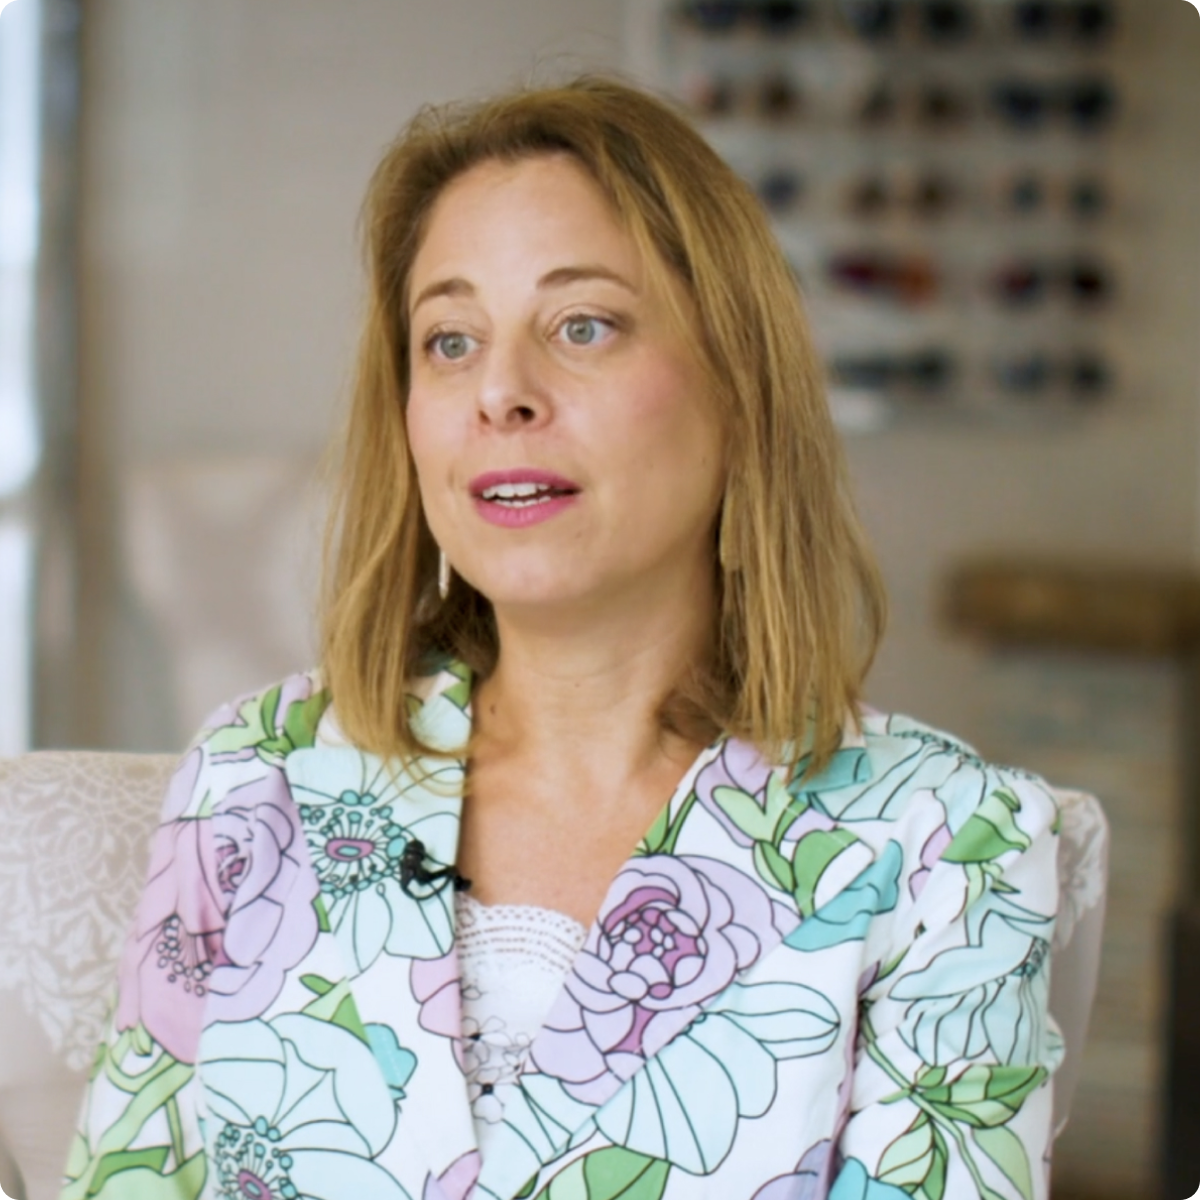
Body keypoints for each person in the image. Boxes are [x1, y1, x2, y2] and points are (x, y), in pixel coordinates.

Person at [61, 76, 1063, 1200]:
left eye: (583, 325)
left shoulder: (946, 846)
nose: (501, 392)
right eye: (450, 340)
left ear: (739, 387)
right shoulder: (256, 779)